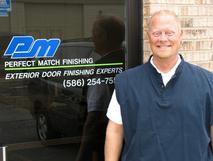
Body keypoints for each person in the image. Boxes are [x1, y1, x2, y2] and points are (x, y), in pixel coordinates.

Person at [105, 10, 213, 161]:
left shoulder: (208, 82)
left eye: (169, 33)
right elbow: (115, 131)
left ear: (180, 35)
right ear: (148, 35)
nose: (163, 39)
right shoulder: (126, 82)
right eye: (157, 33)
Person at [76, 15, 125, 161]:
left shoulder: (102, 69)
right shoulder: (128, 60)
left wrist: (82, 153)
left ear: (104, 37)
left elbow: (93, 118)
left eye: (95, 34)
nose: (92, 39)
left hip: (105, 142)